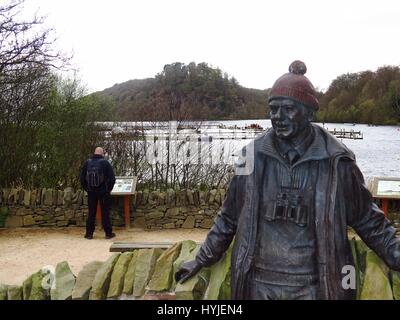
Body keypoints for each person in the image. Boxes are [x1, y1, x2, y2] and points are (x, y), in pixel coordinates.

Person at [175, 60, 400, 300]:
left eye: (288, 108)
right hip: (258, 284)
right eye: (273, 109)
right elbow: (229, 217)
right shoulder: (250, 157)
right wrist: (201, 259)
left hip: (316, 286)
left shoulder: (337, 162)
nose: (278, 117)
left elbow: (367, 218)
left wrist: (396, 254)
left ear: (309, 112)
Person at [80, 147, 116, 239]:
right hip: (103, 191)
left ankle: (89, 234)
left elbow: (82, 178)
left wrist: (87, 188)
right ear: (102, 153)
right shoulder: (105, 163)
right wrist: (109, 189)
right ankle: (108, 233)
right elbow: (112, 178)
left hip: (91, 192)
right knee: (105, 212)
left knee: (91, 212)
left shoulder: (87, 162)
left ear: (94, 152)